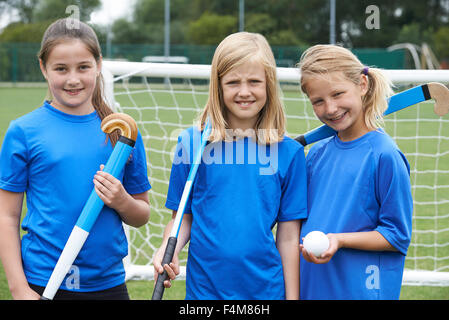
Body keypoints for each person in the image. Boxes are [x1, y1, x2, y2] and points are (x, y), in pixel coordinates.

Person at [0, 18, 151, 300]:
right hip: (44, 281)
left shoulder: (122, 132)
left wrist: (121, 201)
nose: (73, 79)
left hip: (109, 285)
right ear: (43, 68)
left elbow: (142, 215)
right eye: (61, 69)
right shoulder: (23, 131)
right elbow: (6, 217)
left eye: (83, 67)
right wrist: (18, 287)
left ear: (99, 64)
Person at [153, 32, 307, 300]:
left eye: (254, 82)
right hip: (205, 292)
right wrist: (169, 249)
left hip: (266, 291)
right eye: (233, 82)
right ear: (218, 86)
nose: (244, 91)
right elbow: (182, 218)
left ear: (269, 85)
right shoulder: (192, 144)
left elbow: (288, 238)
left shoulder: (290, 153)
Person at [297, 44, 413, 300]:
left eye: (338, 94)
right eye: (318, 101)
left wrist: (339, 240)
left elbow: (396, 236)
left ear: (362, 84)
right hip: (312, 287)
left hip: (357, 290)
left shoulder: (384, 155)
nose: (330, 108)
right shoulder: (316, 154)